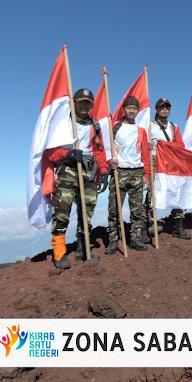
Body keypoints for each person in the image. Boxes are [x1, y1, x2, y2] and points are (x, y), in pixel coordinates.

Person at [43, 88, 109, 269]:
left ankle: (83, 250)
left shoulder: (94, 125)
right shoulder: (63, 124)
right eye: (80, 101)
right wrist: (69, 153)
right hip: (67, 172)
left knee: (86, 213)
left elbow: (99, 150)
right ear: (74, 103)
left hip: (89, 172)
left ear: (91, 105)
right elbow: (49, 151)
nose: (84, 105)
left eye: (87, 102)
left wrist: (103, 171)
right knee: (62, 212)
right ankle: (59, 253)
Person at [105, 97, 150, 254]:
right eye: (129, 108)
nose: (132, 111)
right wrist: (110, 162)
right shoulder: (115, 127)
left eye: (135, 108)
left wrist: (147, 174)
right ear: (123, 109)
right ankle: (112, 240)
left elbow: (145, 154)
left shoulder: (141, 131)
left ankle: (135, 239)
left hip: (137, 172)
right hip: (120, 172)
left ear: (138, 111)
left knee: (137, 210)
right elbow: (106, 147)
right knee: (114, 208)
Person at [149, 97, 191, 240]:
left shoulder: (174, 127)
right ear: (156, 110)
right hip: (155, 163)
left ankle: (178, 227)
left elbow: (181, 146)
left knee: (176, 193)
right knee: (152, 193)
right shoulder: (149, 126)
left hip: (172, 164)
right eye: (162, 107)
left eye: (167, 107)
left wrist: (168, 147)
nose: (165, 110)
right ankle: (148, 224)